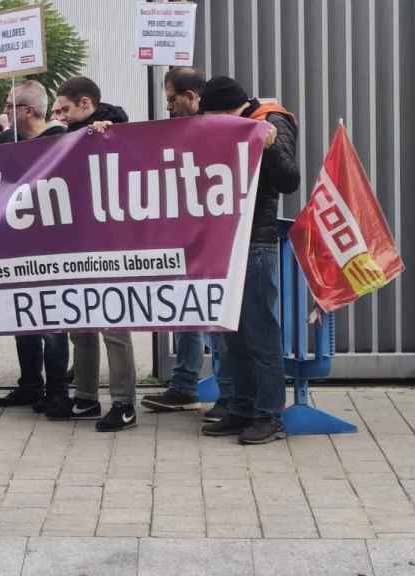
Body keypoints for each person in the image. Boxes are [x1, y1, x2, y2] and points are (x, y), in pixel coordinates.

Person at [198, 76, 299, 444]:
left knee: (260, 335)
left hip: (255, 243)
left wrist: (269, 147)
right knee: (230, 336)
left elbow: (289, 180)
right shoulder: (231, 123)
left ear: (228, 110)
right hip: (223, 243)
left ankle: (269, 415)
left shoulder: (272, 123)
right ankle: (240, 408)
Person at [45, 76, 138, 432]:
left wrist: (109, 131)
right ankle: (85, 397)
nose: (60, 116)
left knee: (114, 325)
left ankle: (124, 403)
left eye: (65, 109)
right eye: (56, 110)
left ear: (87, 104)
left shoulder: (113, 129)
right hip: (77, 240)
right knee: (80, 323)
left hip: (111, 241)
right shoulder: (68, 137)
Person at [0, 81, 70, 414]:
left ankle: (57, 390)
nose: (5, 112)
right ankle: (30, 383)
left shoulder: (62, 140)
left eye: (10, 106)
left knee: (52, 323)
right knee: (23, 317)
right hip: (18, 244)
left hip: (54, 246)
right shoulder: (7, 143)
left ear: (29, 111)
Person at [142, 67, 208, 415]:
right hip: (185, 234)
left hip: (210, 236)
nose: (168, 108)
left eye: (171, 100)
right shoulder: (178, 129)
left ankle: (195, 386)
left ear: (191, 96)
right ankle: (186, 384)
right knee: (188, 310)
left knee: (205, 313)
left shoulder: (217, 128)